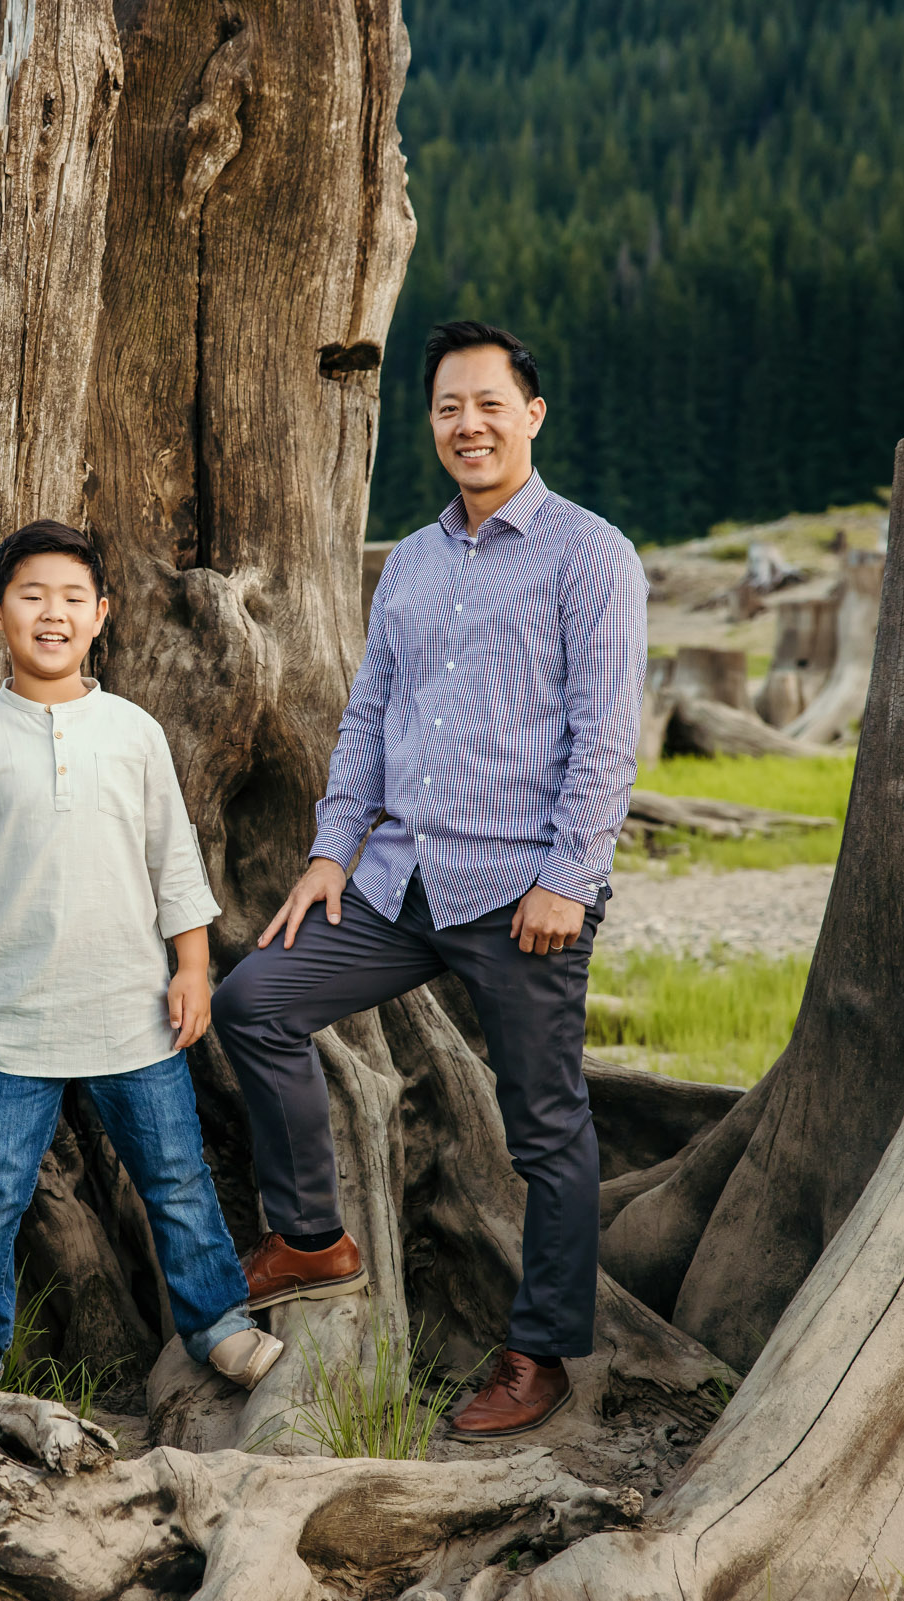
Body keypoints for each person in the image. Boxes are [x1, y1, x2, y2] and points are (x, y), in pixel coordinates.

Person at [212, 322, 647, 1437]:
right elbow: (368, 719)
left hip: (521, 895)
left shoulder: (589, 553)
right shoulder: (409, 560)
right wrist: (329, 853)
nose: (469, 424)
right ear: (432, 421)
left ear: (532, 414)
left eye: (490, 403)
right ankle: (312, 1232)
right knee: (256, 1000)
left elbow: (606, 734)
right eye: (450, 406)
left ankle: (539, 1349)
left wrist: (571, 877)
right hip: (401, 882)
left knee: (545, 1126)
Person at [0, 519, 285, 1394]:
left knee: (175, 1175)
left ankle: (217, 1321)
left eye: (70, 599)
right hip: (5, 1012)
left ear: (101, 614)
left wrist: (192, 965)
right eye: (30, 596)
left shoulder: (132, 732)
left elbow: (175, 858)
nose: (50, 615)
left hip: (131, 1006)